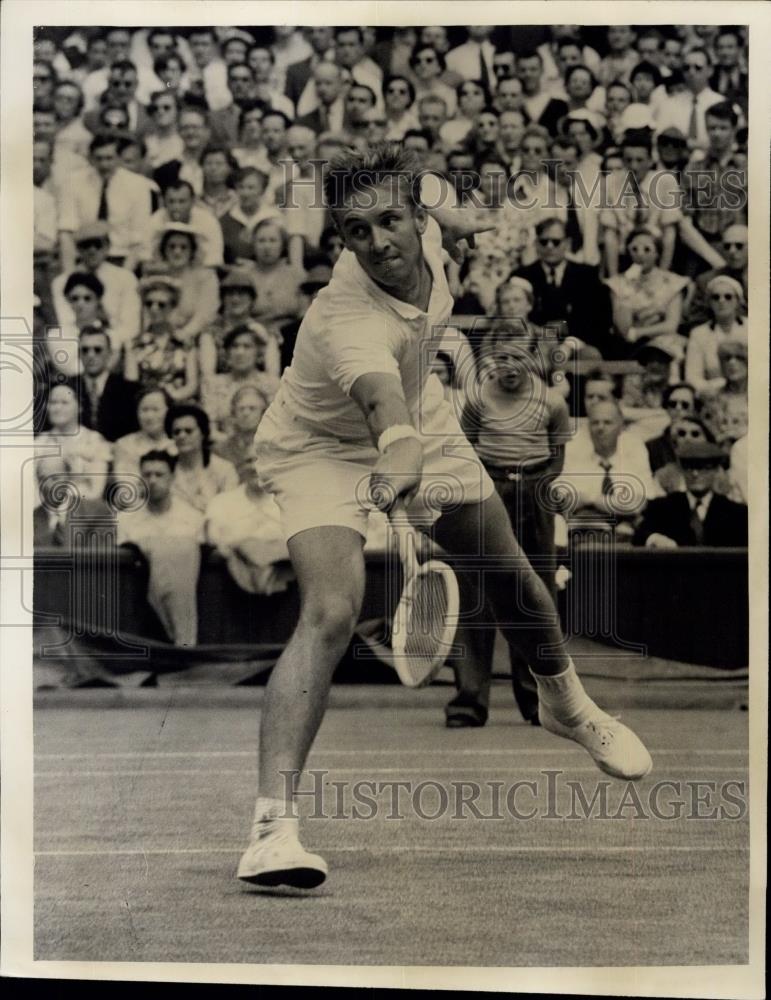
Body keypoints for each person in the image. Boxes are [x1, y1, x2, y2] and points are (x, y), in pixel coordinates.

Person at [238, 144, 651, 889]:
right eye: (354, 231)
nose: (376, 243)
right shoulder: (347, 322)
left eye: (390, 220)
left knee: (514, 579)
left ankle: (567, 707)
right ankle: (273, 828)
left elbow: (453, 211)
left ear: (416, 213)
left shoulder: (428, 224)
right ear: (340, 236)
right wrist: (397, 468)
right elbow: (381, 411)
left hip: (420, 417)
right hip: (318, 447)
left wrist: (451, 213)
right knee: (331, 611)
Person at [452, 320, 571, 727]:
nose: (510, 365)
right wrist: (488, 486)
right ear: (489, 361)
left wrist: (538, 486)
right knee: (476, 594)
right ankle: (469, 699)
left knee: (534, 595)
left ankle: (538, 700)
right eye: (501, 357)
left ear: (533, 357)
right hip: (488, 489)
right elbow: (466, 447)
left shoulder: (552, 401)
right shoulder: (478, 399)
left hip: (534, 493)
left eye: (519, 355)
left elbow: (558, 455)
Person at [117, 449, 204, 646]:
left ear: (172, 477)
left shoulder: (192, 517)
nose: (153, 480)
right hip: (138, 603)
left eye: (159, 474)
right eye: (147, 475)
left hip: (181, 601)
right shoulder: (125, 519)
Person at [554, 398, 658, 535]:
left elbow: (638, 505)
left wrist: (589, 499)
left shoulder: (635, 448)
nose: (600, 428)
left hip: (630, 533)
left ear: (621, 427)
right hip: (583, 532)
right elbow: (565, 501)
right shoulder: (573, 450)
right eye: (595, 423)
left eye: (607, 422)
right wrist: (616, 505)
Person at [513, 217, 613, 356]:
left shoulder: (587, 276)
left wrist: (567, 328)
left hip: (579, 347)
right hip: (533, 348)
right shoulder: (522, 276)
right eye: (544, 241)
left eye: (556, 242)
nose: (549, 247)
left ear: (567, 243)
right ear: (536, 244)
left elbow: (600, 320)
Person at [633, 441, 747, 547]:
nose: (695, 474)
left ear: (716, 471)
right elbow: (640, 535)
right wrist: (654, 538)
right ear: (681, 470)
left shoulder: (736, 513)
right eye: (689, 468)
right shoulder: (662, 507)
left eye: (703, 469)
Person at [52, 222, 142, 357]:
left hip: (117, 347)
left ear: (107, 246)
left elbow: (131, 326)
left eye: (97, 245)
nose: (92, 250)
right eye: (86, 245)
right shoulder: (61, 282)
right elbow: (65, 322)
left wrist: (107, 342)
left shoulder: (125, 279)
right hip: (76, 348)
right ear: (78, 249)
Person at [205, 458, 293, 596]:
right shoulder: (221, 503)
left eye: (260, 459)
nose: (253, 466)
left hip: (288, 580)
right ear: (239, 468)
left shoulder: (290, 501)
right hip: (232, 585)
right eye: (248, 461)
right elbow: (215, 543)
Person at [605, 228, 690, 352]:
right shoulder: (618, 283)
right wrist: (628, 286)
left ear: (657, 253)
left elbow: (671, 325)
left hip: (664, 341)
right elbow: (623, 329)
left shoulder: (673, 282)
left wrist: (638, 332)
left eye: (647, 249)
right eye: (634, 249)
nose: (640, 254)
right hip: (629, 346)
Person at [35, 382, 112, 502]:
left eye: (64, 402)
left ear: (80, 407)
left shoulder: (95, 441)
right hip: (46, 513)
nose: (57, 408)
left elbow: (96, 492)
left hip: (84, 513)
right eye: (52, 402)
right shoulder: (39, 442)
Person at [201, 324, 278, 440]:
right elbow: (210, 428)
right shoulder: (213, 385)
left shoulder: (272, 384)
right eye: (234, 346)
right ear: (226, 353)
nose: (240, 352)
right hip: (225, 447)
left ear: (258, 353)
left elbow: (278, 425)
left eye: (247, 346)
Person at [165, 403, 239, 514]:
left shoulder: (224, 470)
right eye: (177, 432)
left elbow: (230, 511)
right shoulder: (164, 470)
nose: (182, 436)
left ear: (203, 433)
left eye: (188, 431)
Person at [71, 325, 138, 442]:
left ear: (110, 353)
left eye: (98, 350)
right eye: (85, 350)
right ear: (79, 354)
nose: (91, 355)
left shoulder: (129, 390)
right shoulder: (68, 388)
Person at [685, 275, 748, 395]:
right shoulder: (699, 334)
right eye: (716, 297)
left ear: (738, 301)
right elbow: (693, 378)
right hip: (714, 395)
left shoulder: (753, 328)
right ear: (709, 302)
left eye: (728, 297)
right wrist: (721, 388)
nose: (721, 301)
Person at [112, 387, 176, 481]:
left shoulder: (178, 444)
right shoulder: (125, 445)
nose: (149, 416)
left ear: (168, 411)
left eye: (155, 409)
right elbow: (126, 485)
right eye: (144, 410)